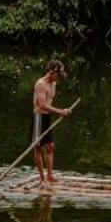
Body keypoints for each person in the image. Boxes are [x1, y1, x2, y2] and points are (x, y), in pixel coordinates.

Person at [30, 59, 74, 188]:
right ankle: (42, 179)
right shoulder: (41, 84)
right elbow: (42, 105)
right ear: (51, 72)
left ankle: (50, 175)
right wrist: (61, 111)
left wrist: (62, 112)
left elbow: (49, 104)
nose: (59, 78)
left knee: (50, 147)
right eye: (58, 75)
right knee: (38, 148)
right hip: (38, 117)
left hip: (47, 117)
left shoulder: (53, 83)